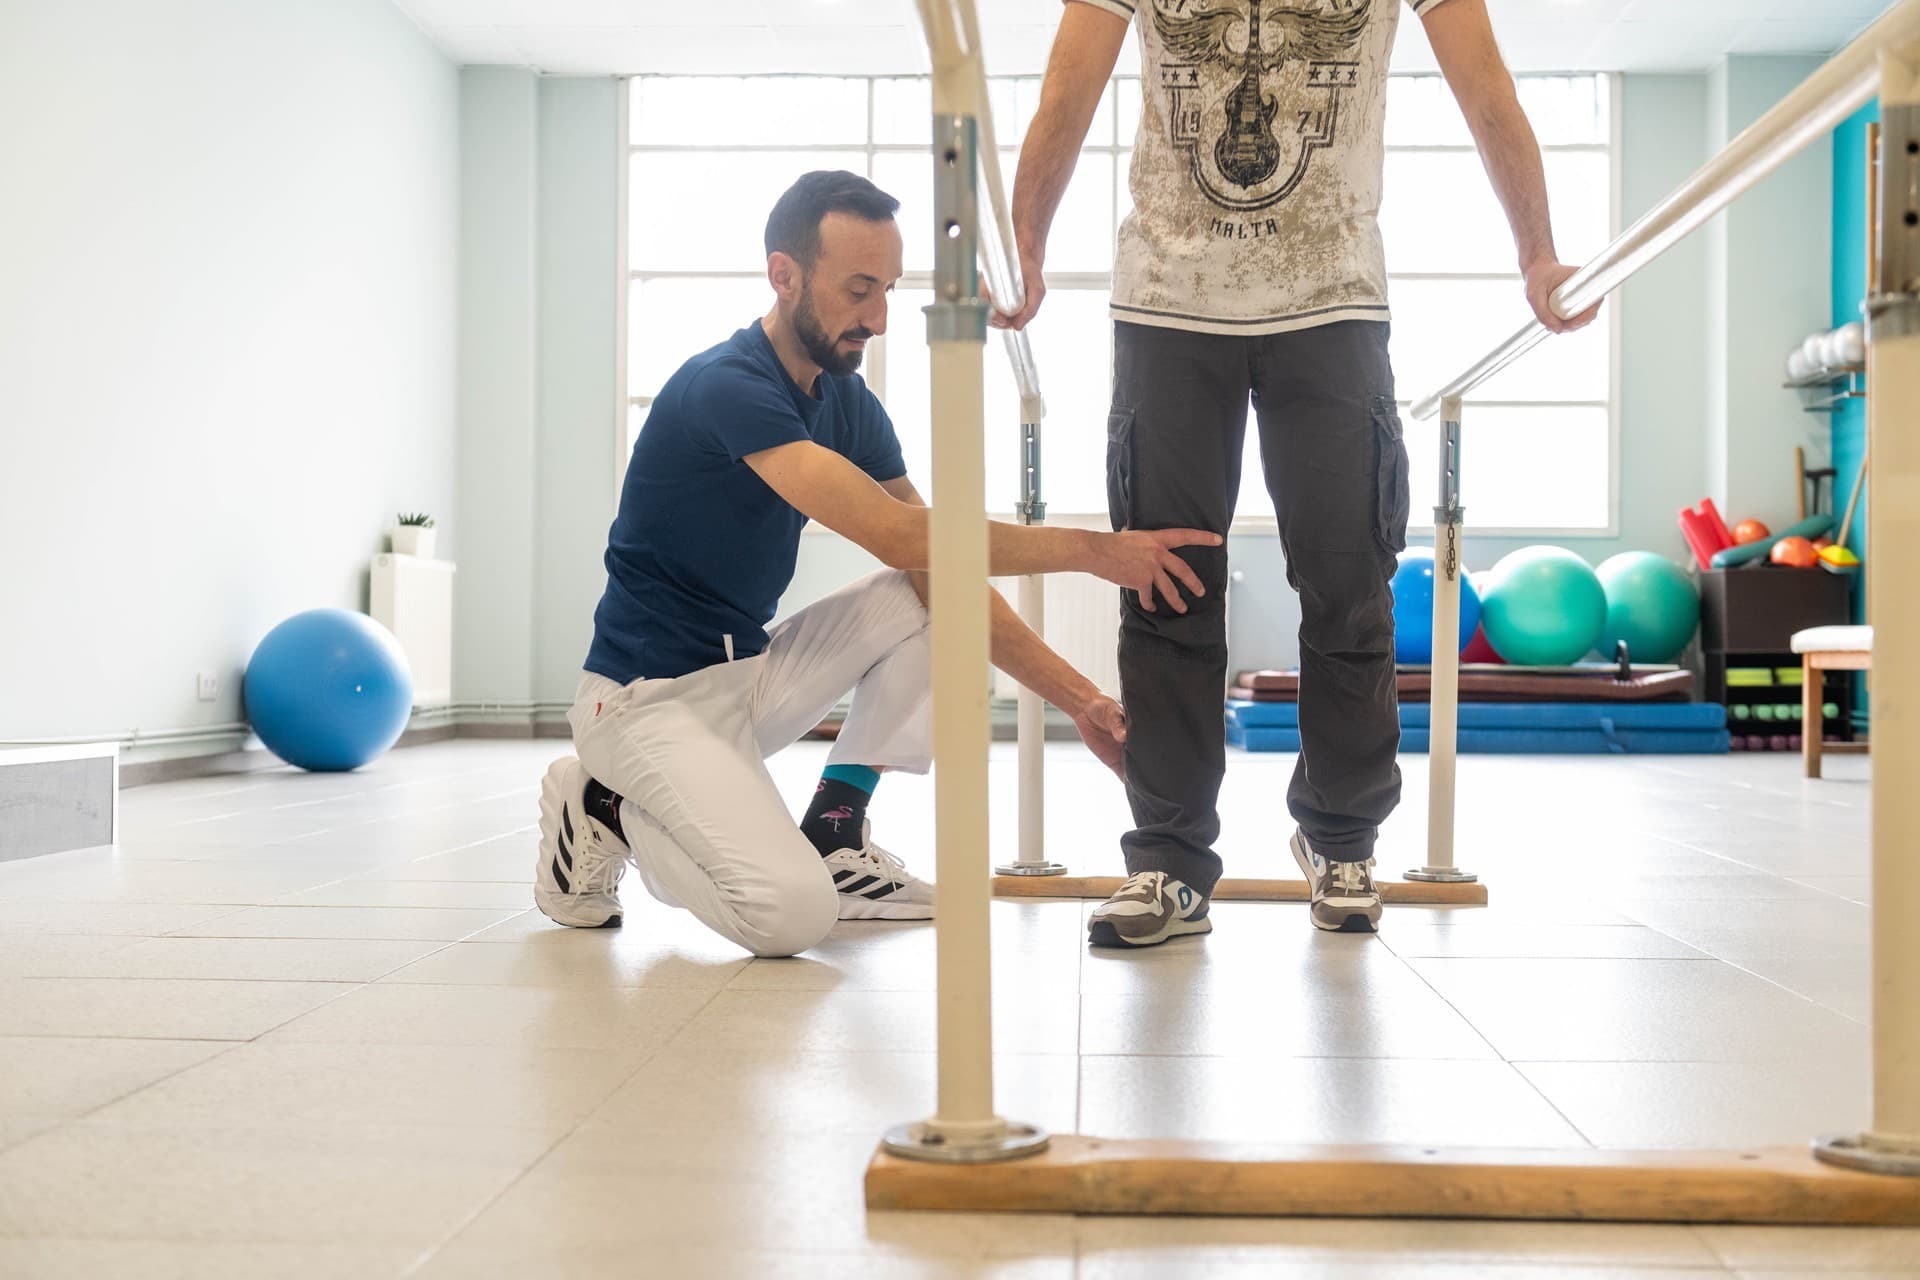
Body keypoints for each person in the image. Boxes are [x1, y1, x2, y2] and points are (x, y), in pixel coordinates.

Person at [1004, 0, 1600, 946]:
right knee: (1165, 588)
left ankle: (1341, 837)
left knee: (1349, 587)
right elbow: (1066, 93)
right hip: (1168, 307)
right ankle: (1167, 862)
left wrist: (1537, 253)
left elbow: (1487, 92)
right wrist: (1024, 245)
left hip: (1333, 308)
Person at [533, 170, 1221, 959]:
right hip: (641, 705)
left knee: (925, 597)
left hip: (744, 679)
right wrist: (1095, 552)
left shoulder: (844, 404)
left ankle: (835, 829)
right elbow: (903, 536)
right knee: (789, 916)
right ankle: (599, 804)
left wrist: (1085, 701)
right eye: (860, 290)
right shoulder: (725, 388)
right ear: (783, 274)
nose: (880, 318)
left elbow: (936, 569)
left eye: (889, 289)